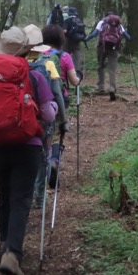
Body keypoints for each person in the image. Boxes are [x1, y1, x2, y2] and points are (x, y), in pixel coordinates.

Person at [0, 27, 56, 275]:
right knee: (21, 199)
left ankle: (4, 241)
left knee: (4, 194)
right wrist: (55, 108)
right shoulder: (35, 75)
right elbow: (48, 114)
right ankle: (12, 254)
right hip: (28, 143)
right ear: (27, 50)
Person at [32, 24, 82, 207]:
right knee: (55, 136)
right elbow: (73, 80)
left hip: (35, 104)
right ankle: (53, 161)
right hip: (57, 102)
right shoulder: (63, 56)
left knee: (38, 139)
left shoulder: (35, 57)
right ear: (61, 39)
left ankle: (37, 180)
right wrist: (79, 78)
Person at [84, 12, 132, 101]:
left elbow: (94, 34)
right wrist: (129, 38)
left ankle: (101, 86)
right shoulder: (118, 25)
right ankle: (112, 87)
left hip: (102, 47)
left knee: (100, 66)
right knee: (112, 69)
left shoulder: (102, 23)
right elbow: (128, 37)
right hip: (114, 48)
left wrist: (86, 39)